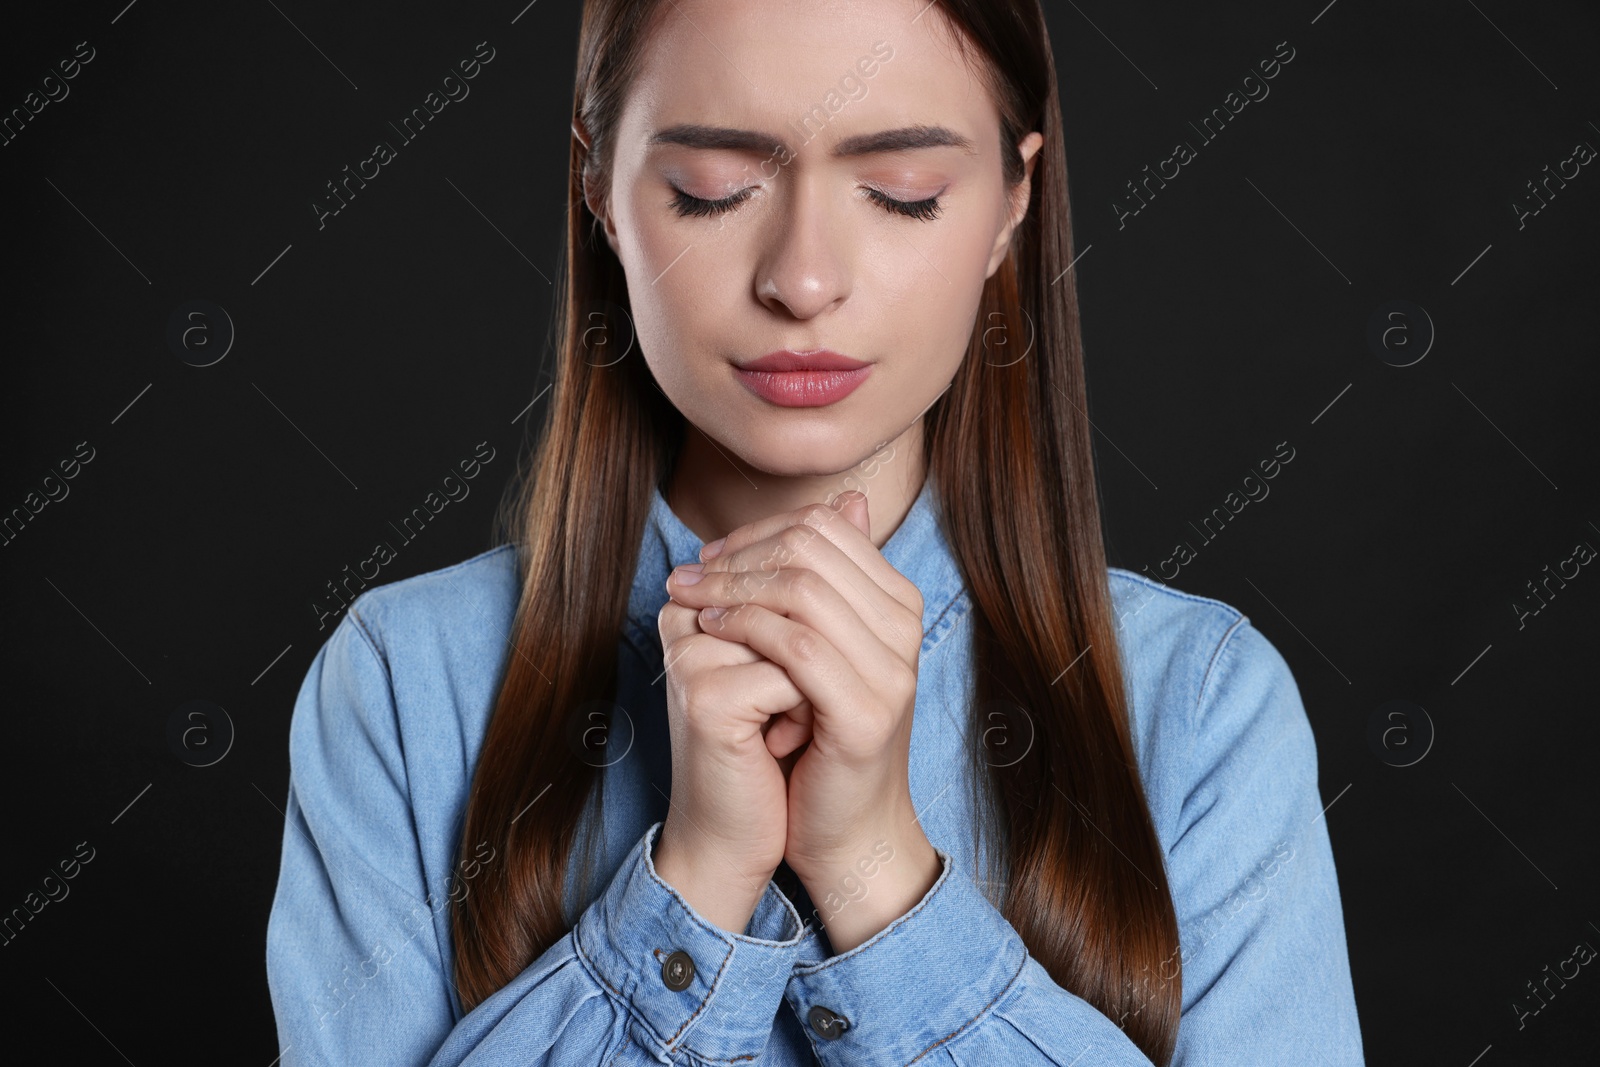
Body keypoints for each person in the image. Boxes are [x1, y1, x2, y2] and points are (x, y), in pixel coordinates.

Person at [265, 0, 1367, 1063]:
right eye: (712, 190)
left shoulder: (1201, 707)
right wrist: (693, 882)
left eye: (901, 191)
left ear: (1012, 202)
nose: (801, 279)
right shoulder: (404, 687)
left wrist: (877, 872)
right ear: (596, 184)